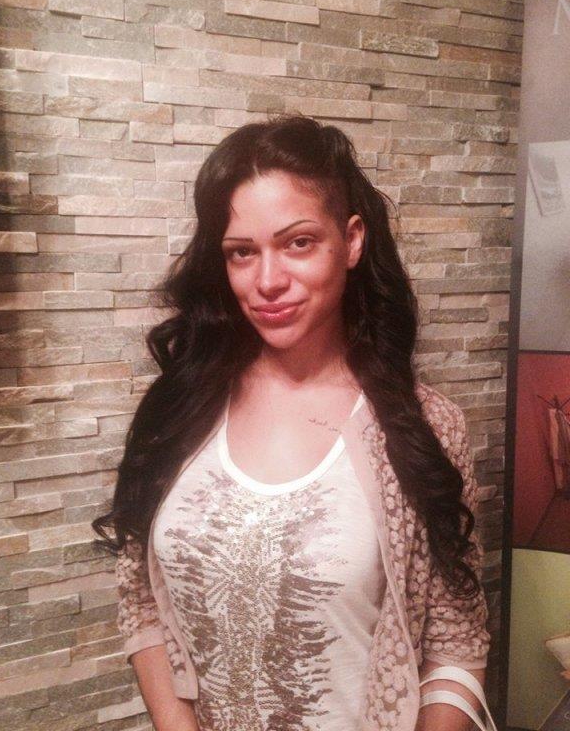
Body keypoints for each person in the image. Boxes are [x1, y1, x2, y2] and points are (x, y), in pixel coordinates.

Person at [93, 113, 493, 731]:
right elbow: (142, 601)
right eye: (242, 252)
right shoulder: (180, 407)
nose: (268, 281)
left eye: (298, 243)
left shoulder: (424, 427)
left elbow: (456, 639)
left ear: (352, 240)